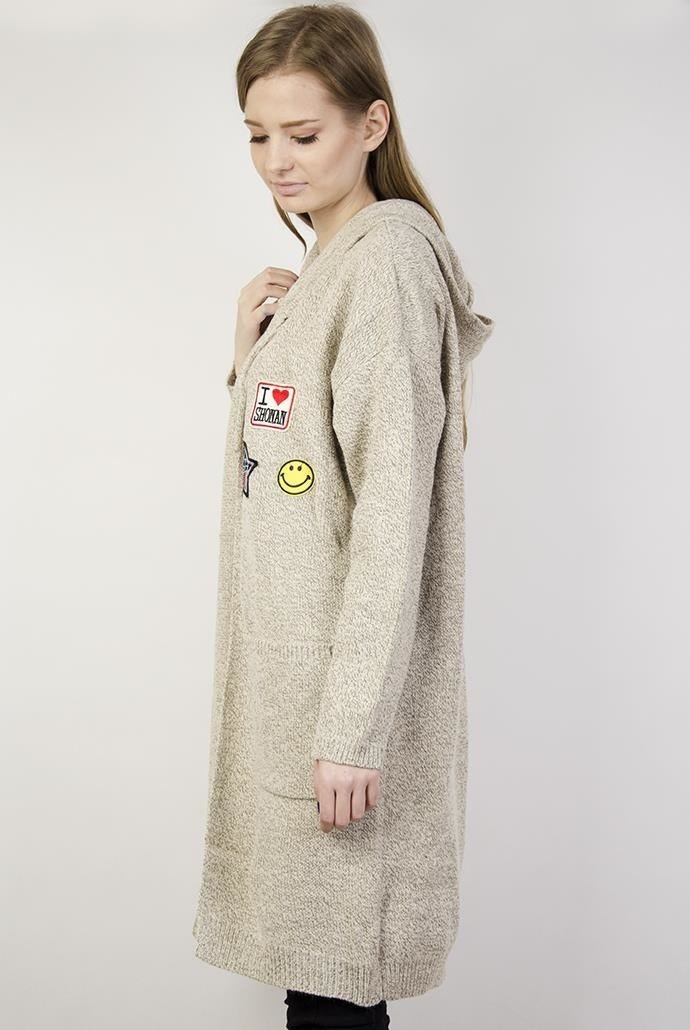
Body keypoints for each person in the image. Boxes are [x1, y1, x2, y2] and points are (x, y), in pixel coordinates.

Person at [192, 5, 495, 1028]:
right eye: (257, 135)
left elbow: (392, 513)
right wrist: (247, 361)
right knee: (316, 979)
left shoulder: (388, 264)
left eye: (303, 133)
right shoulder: (329, 269)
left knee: (336, 990)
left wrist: (354, 730)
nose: (276, 161)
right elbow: (288, 471)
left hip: (339, 708)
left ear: (372, 124)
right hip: (294, 694)